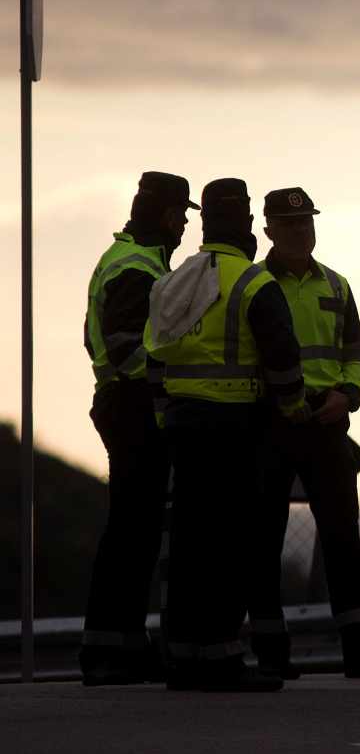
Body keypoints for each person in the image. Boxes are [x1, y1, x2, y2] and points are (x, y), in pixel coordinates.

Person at [143, 178, 309, 692]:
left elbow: (154, 354)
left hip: (185, 427)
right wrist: (294, 407)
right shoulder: (254, 284)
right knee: (231, 545)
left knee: (190, 544)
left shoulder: (177, 280)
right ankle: (222, 659)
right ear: (246, 226)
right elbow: (282, 359)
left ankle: (186, 659)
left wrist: (164, 414)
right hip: (237, 428)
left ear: (207, 222)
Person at [246, 187, 360, 680]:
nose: (300, 232)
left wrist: (347, 395)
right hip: (270, 423)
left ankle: (359, 650)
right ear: (268, 229)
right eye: (289, 225)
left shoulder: (336, 286)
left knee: (343, 538)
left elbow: (356, 352)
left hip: (327, 423)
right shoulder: (251, 285)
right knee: (264, 538)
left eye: (307, 223)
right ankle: (272, 654)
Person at [79, 172, 196, 686]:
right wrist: (174, 376)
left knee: (137, 533)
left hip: (124, 402)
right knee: (131, 534)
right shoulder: (137, 268)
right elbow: (128, 346)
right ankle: (109, 652)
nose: (188, 223)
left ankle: (122, 647)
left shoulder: (128, 259)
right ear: (169, 216)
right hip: (134, 406)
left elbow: (96, 339)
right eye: (184, 213)